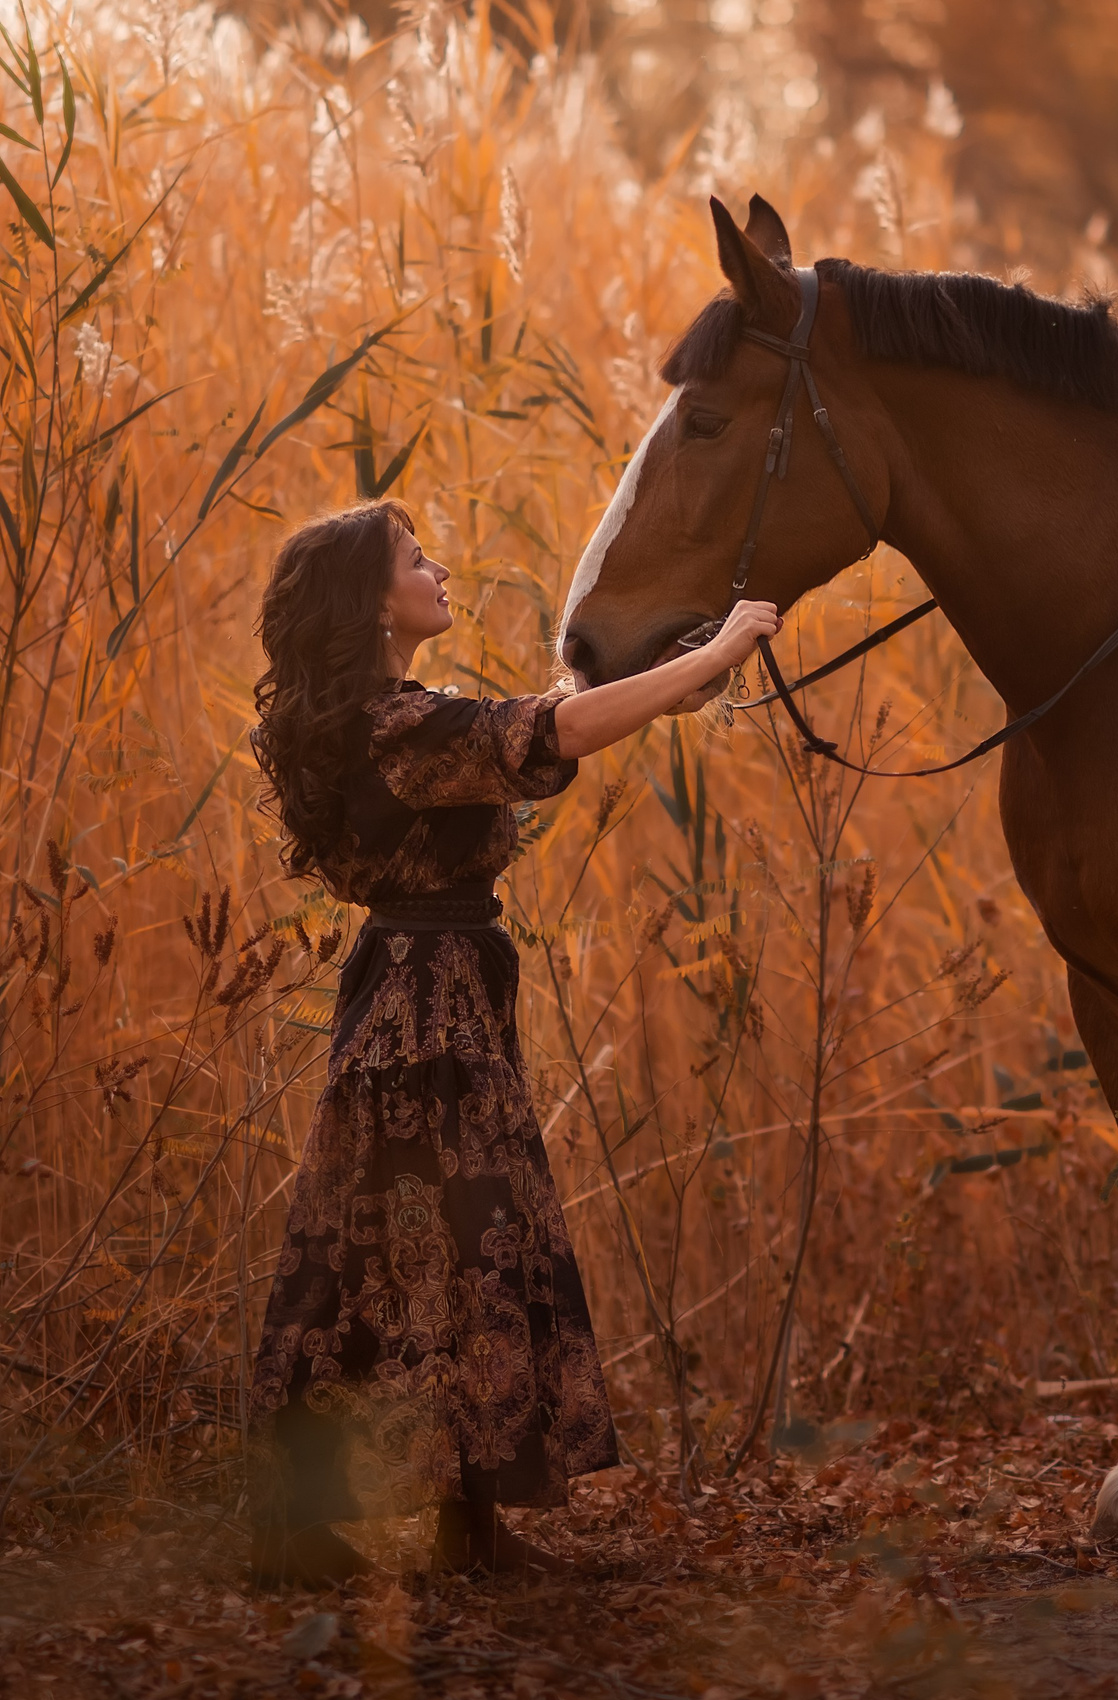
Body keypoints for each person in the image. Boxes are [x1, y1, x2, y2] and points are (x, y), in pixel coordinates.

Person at [244, 498, 779, 1586]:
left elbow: (546, 726)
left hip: (422, 992)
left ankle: (443, 1529)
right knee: (456, 1250)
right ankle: (357, 1532)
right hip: (426, 1008)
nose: (439, 570)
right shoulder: (394, 726)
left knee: (425, 1255)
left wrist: (674, 665)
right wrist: (725, 645)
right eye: (414, 559)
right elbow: (557, 731)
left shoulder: (382, 719)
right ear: (369, 598)